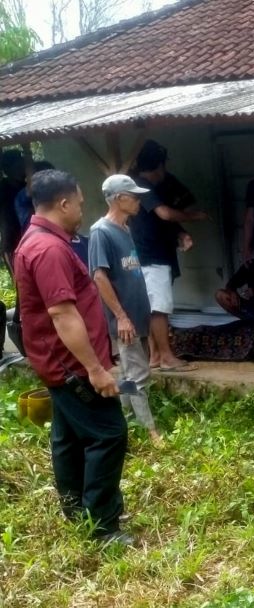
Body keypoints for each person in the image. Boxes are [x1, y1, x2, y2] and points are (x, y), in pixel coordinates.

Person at [12, 169, 131, 545]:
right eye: (78, 203)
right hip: (73, 365)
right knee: (109, 435)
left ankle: (75, 509)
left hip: (58, 363)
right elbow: (62, 314)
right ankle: (103, 525)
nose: (82, 210)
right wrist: (95, 369)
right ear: (63, 203)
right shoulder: (48, 249)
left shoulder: (38, 240)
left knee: (68, 438)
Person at [89, 175, 163, 446]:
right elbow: (99, 277)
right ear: (119, 199)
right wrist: (121, 316)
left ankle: (124, 421)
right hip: (124, 320)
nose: (138, 200)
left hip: (136, 316)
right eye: (133, 195)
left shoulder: (125, 229)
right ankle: (150, 431)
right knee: (140, 375)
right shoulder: (101, 231)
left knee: (130, 374)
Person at [128, 140, 207, 371]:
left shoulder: (139, 185)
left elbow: (158, 221)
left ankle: (154, 356)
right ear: (159, 166)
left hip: (149, 255)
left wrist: (181, 234)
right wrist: (193, 216)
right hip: (152, 257)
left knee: (152, 307)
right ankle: (167, 358)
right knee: (159, 308)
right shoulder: (144, 185)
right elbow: (164, 214)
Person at [1, 148, 26, 269]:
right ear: (8, 170)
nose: (22, 169)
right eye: (18, 166)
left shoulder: (26, 187)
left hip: (28, 237)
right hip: (12, 242)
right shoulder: (3, 188)